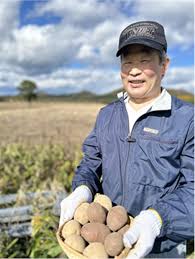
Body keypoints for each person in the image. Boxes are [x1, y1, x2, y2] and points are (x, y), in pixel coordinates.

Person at [59, 21, 194, 258]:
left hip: (163, 247)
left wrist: (157, 219)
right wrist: (83, 188)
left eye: (144, 61)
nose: (133, 70)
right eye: (127, 62)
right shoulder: (107, 115)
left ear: (164, 66)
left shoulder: (187, 119)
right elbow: (91, 164)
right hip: (111, 243)